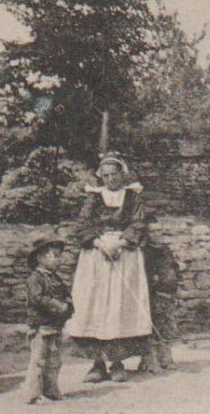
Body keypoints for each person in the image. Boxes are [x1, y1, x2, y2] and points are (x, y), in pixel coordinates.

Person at [64, 153, 154, 382]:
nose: (110, 179)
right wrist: (99, 243)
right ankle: (97, 364)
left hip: (125, 255)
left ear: (122, 174)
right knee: (96, 305)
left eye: (114, 174)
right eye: (105, 176)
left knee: (118, 306)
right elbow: (82, 225)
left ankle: (117, 363)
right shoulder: (94, 197)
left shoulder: (133, 197)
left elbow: (139, 223)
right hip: (97, 255)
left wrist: (121, 242)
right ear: (100, 177)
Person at [23, 236, 73, 404]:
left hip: (55, 326)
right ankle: (34, 394)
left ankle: (51, 390)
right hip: (40, 326)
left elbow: (67, 296)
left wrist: (68, 306)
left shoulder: (56, 278)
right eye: (55, 256)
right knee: (38, 360)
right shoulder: (35, 279)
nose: (60, 260)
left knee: (54, 361)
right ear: (40, 258)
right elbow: (37, 298)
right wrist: (57, 305)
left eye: (60, 256)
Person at [141, 239, 181, 373]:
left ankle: (165, 357)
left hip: (164, 292)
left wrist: (172, 287)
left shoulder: (165, 251)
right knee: (149, 326)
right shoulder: (145, 251)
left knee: (163, 325)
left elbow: (173, 272)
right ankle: (148, 360)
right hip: (150, 292)